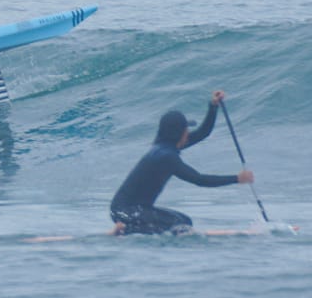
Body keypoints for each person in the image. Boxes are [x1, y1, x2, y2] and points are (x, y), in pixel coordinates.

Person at [109, 91, 254, 236]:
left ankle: (125, 229)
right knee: (179, 225)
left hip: (126, 210)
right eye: (186, 130)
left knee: (184, 220)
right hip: (126, 212)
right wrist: (237, 178)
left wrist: (213, 106)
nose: (188, 133)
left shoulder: (164, 147)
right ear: (179, 133)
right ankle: (125, 231)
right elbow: (199, 179)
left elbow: (203, 133)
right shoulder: (167, 157)